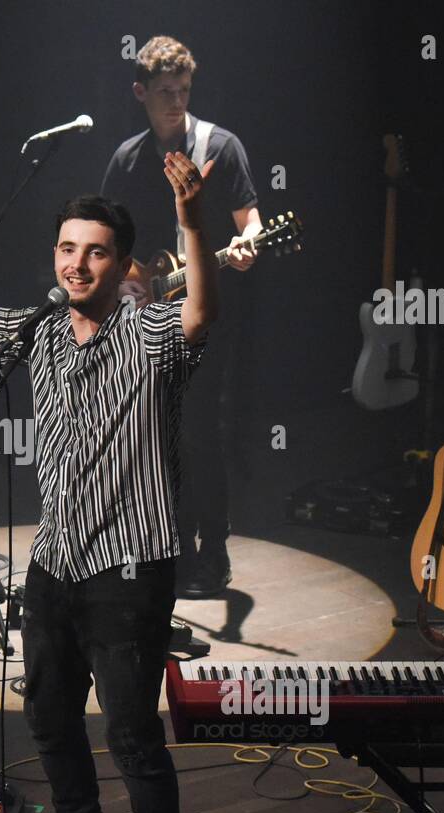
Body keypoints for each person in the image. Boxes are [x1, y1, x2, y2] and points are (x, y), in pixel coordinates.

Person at [0, 142, 216, 813]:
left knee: (130, 737)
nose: (76, 265)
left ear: (122, 266)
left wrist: (191, 222)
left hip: (129, 567)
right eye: (66, 249)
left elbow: (198, 316)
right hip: (56, 562)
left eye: (94, 253)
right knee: (49, 722)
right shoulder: (39, 331)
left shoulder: (150, 334)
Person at [103, 36, 261, 597]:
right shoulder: (126, 158)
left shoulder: (221, 145)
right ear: (140, 93)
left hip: (208, 309)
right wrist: (129, 282)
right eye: (165, 91)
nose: (176, 101)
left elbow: (252, 223)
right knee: (153, 431)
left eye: (184, 90)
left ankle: (211, 551)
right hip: (148, 312)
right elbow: (107, 237)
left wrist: (249, 244)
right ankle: (162, 545)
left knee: (199, 431)